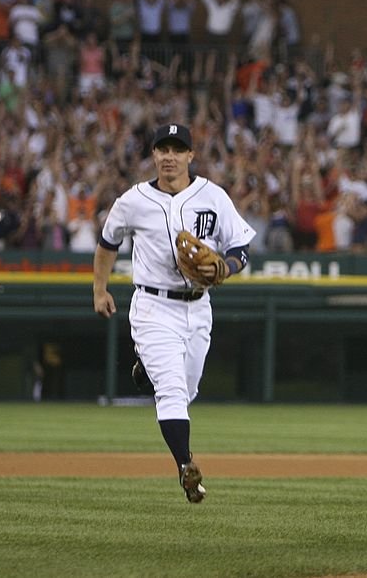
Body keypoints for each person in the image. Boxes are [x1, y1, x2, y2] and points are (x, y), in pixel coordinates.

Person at [93, 123, 256, 503]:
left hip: (198, 307)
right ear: (153, 155)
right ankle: (186, 466)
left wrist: (225, 269)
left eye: (177, 149)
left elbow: (242, 247)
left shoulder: (212, 196)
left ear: (190, 155)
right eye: (162, 149)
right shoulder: (133, 200)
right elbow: (107, 243)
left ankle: (145, 369)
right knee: (171, 392)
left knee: (187, 391)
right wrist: (99, 289)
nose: (169, 156)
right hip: (152, 306)